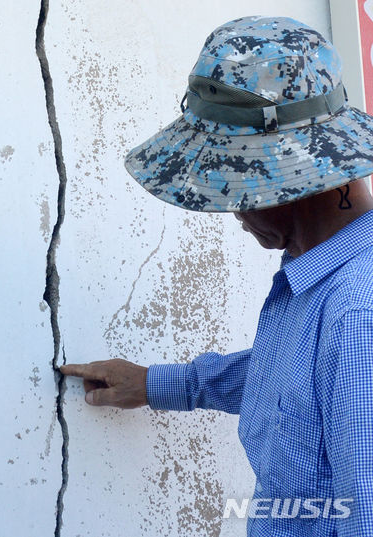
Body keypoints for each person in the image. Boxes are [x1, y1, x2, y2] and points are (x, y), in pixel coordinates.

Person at [60, 16, 373, 536]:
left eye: (238, 192)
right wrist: (159, 384)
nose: (234, 213)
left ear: (298, 181)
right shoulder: (325, 284)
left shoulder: (358, 312)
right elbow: (303, 387)